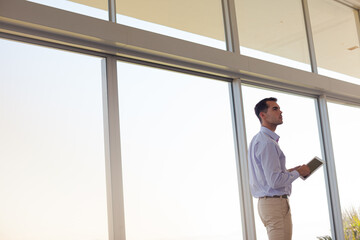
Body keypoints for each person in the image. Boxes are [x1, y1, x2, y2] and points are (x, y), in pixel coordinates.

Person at [248, 97, 310, 240]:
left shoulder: (258, 140)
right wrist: (298, 172)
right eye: (275, 109)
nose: (280, 111)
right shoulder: (267, 143)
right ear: (262, 115)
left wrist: (290, 171)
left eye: (279, 108)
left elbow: (267, 176)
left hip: (268, 204)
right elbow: (275, 182)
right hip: (275, 205)